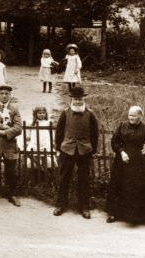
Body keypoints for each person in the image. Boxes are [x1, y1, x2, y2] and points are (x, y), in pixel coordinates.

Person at [106, 105, 145, 224]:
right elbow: (114, 141)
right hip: (122, 161)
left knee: (137, 187)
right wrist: (121, 152)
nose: (131, 118)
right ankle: (114, 213)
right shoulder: (122, 126)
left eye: (133, 115)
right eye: (129, 115)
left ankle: (138, 217)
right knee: (119, 185)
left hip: (139, 163)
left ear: (140, 116)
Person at [53, 86, 99, 219]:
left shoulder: (90, 114)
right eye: (75, 99)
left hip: (85, 150)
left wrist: (93, 150)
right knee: (64, 178)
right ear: (71, 99)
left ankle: (84, 207)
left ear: (83, 99)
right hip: (67, 149)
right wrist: (58, 148)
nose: (78, 102)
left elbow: (94, 133)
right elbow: (59, 132)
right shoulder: (65, 113)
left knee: (84, 179)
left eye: (80, 99)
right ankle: (60, 205)